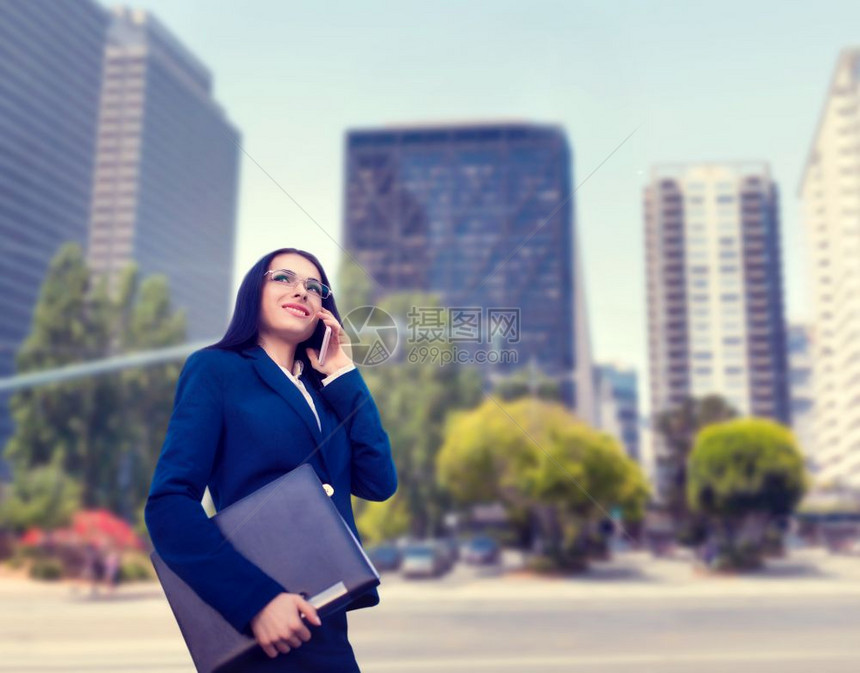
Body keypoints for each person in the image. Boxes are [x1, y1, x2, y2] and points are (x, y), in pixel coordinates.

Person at [145, 248, 398, 671]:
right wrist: (255, 602)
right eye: (284, 278)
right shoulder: (215, 370)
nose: (302, 290)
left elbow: (379, 482)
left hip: (329, 625)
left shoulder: (329, 391)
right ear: (252, 292)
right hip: (263, 628)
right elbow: (168, 505)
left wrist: (344, 375)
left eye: (315, 287)